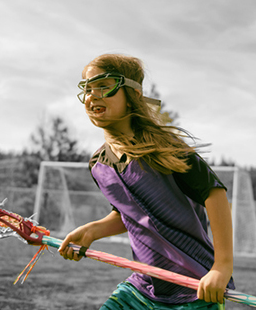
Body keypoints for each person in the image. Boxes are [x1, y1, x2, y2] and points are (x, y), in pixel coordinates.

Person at [58, 54, 235, 309]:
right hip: (141, 288)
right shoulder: (98, 165)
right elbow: (129, 214)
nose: (92, 95)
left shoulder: (166, 147)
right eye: (87, 88)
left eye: (104, 86)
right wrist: (92, 230)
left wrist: (222, 267)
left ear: (133, 94)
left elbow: (214, 194)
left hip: (195, 288)